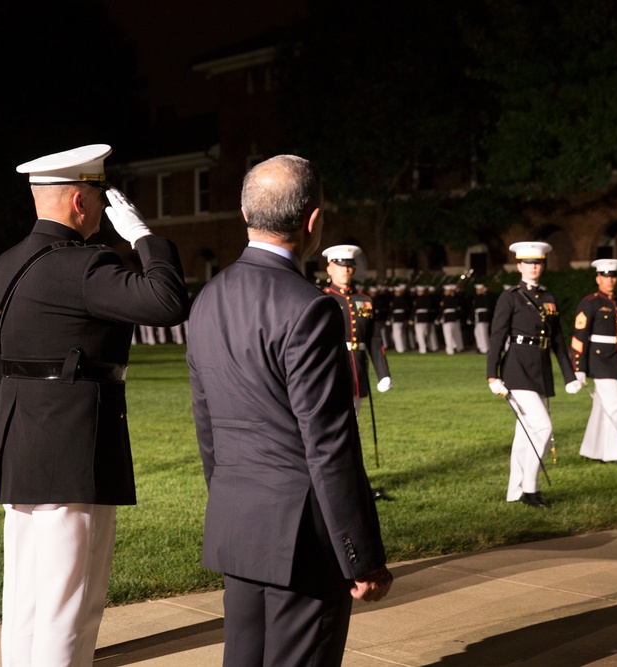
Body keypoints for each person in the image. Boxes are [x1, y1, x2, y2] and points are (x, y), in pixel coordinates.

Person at [0, 144, 190, 665]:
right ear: (80, 201)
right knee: (70, 605)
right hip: (73, 451)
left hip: (22, 444)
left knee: (27, 599)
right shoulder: (84, 264)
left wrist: (14, 433)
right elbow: (167, 300)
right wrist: (144, 237)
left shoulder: (4, 265)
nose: (102, 210)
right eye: (99, 198)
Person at [186, 155, 392, 667]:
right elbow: (329, 444)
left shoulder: (207, 299)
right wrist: (360, 555)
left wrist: (235, 502)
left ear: (244, 212)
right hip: (302, 536)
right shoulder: (310, 307)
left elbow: (207, 427)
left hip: (239, 519)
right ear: (313, 222)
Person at [487, 242, 581, 507]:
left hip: (540, 370)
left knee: (525, 433)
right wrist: (492, 376)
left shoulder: (548, 298)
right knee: (542, 427)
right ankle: (530, 488)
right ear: (519, 266)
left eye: (538, 262)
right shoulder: (511, 297)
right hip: (516, 369)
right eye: (528, 263)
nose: (534, 267)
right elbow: (497, 337)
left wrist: (569, 375)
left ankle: (515, 491)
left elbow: (558, 340)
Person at [571, 258, 617, 463]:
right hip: (599, 361)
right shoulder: (590, 303)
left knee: (602, 407)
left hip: (616, 361)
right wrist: (579, 367)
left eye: (613, 276)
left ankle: (591, 450)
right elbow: (579, 336)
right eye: (605, 277)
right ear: (598, 278)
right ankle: (613, 454)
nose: (609, 281)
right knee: (616, 403)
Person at [322, 244, 392, 414]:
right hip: (332, 370)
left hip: (358, 368)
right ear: (329, 269)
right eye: (340, 265)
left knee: (355, 423)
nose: (345, 270)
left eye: (349, 265)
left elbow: (374, 340)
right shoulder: (323, 300)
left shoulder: (364, 300)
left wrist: (383, 373)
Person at [438, 283, 464, 355]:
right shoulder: (455, 298)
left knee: (448, 334)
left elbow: (442, 310)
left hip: (447, 318)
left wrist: (439, 318)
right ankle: (455, 346)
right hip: (454, 318)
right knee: (454, 333)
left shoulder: (445, 299)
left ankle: (450, 349)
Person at [471, 283, 496, 354]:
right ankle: (480, 347)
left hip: (483, 318)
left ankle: (485, 348)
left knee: (483, 333)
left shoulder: (485, 297)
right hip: (478, 318)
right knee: (477, 333)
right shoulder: (477, 298)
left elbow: (488, 307)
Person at [389, 283, 411, 353]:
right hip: (401, 318)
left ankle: (400, 348)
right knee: (401, 333)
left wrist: (389, 318)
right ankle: (402, 347)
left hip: (397, 318)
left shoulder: (396, 300)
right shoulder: (404, 299)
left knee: (397, 334)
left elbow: (392, 310)